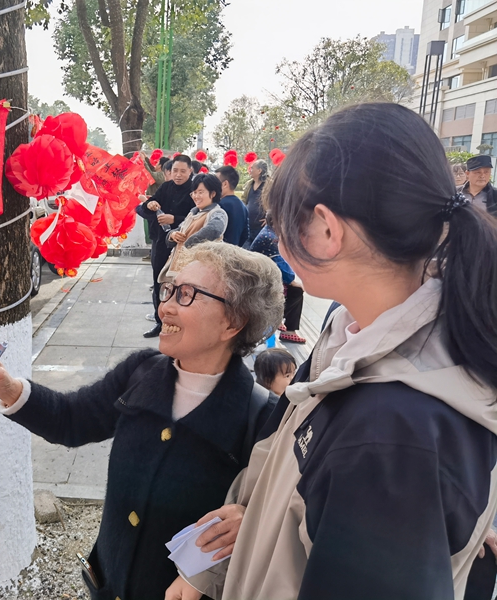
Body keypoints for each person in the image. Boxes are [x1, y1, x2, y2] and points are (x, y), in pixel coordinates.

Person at [166, 102, 497, 600]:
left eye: (282, 220)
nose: (275, 235)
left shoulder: (392, 433)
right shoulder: (355, 332)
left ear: (324, 230)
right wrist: (258, 517)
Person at [0, 242, 284, 600]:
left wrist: (253, 521)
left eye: (186, 295)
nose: (164, 306)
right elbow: (72, 420)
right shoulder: (139, 371)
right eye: (168, 289)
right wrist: (11, 390)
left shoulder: (263, 417)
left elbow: (284, 514)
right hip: (109, 583)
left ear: (233, 322)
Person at [138, 155, 195, 337]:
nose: (178, 175)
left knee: (182, 284)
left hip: (183, 246)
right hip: (161, 243)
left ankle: (182, 324)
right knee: (159, 282)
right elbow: (147, 206)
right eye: (175, 171)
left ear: (190, 171)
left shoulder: (195, 190)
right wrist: (151, 203)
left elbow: (198, 216)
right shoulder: (166, 187)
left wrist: (174, 219)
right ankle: (159, 322)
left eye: (182, 171)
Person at [159, 174, 228, 283]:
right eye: (194, 192)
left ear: (213, 194)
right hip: (181, 268)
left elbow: (214, 229)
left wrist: (188, 245)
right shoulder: (192, 213)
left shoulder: (217, 213)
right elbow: (179, 229)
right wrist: (172, 235)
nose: (196, 196)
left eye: (201, 192)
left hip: (200, 271)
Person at [250, 212, 305, 344]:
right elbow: (281, 264)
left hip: (261, 277)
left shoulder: (269, 233)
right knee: (296, 291)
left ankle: (279, 319)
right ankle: (286, 328)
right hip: (260, 281)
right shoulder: (271, 238)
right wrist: (292, 281)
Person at [215, 165, 249, 247]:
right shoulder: (243, 206)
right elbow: (245, 235)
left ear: (225, 184)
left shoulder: (221, 206)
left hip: (221, 252)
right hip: (235, 251)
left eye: (215, 182)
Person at [242, 158, 268, 244]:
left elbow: (278, 203)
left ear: (259, 170)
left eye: (252, 168)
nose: (250, 170)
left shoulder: (269, 185)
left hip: (261, 228)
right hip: (248, 226)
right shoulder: (249, 184)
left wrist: (271, 218)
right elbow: (244, 200)